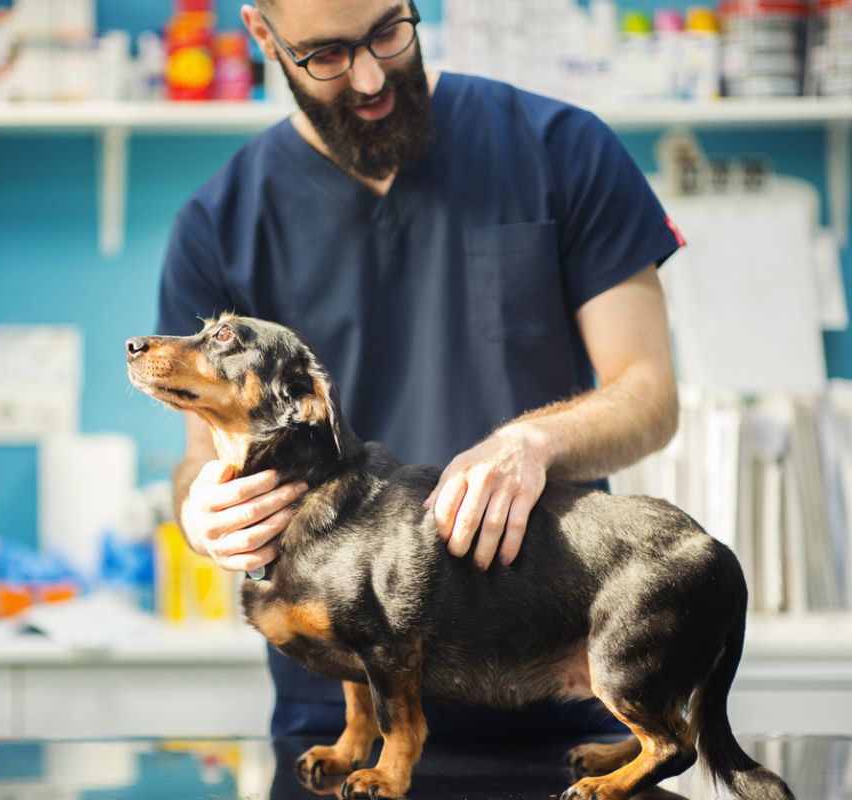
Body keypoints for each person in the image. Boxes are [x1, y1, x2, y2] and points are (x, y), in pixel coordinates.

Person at [155, 0, 684, 738]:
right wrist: (201, 514)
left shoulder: (563, 149)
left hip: (559, 677)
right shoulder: (220, 222)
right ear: (263, 35)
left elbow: (649, 394)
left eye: (388, 32)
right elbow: (197, 459)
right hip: (344, 707)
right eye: (327, 55)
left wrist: (534, 441)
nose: (372, 78)